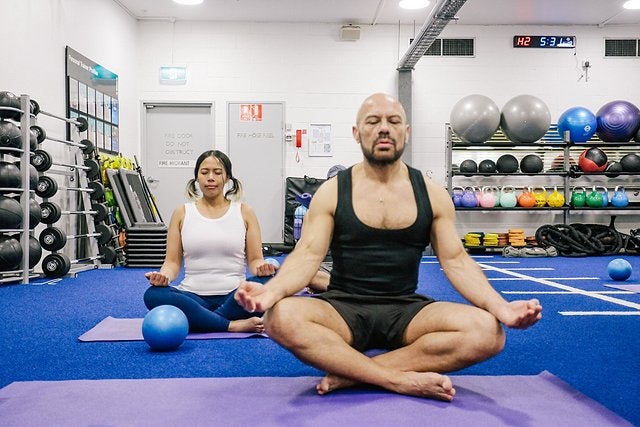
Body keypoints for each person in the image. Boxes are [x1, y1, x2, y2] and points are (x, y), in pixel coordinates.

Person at [235, 93, 542, 401]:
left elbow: (457, 261)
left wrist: (499, 306)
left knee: (489, 332)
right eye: (373, 121)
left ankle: (353, 374)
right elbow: (307, 256)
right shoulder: (332, 192)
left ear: (406, 132)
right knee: (279, 318)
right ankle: (396, 379)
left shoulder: (432, 194)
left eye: (393, 121)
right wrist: (272, 292)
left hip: (406, 310)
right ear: (357, 133)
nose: (384, 128)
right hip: (342, 308)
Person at [143, 149, 277, 333]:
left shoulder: (245, 212)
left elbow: (255, 261)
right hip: (193, 296)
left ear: (227, 177)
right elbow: (172, 262)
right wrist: (164, 276)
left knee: (270, 282)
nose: (210, 178)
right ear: (197, 178)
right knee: (153, 295)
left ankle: (202, 319)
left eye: (217, 172)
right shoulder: (182, 213)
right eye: (204, 172)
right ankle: (230, 324)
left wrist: (263, 268)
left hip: (235, 297)